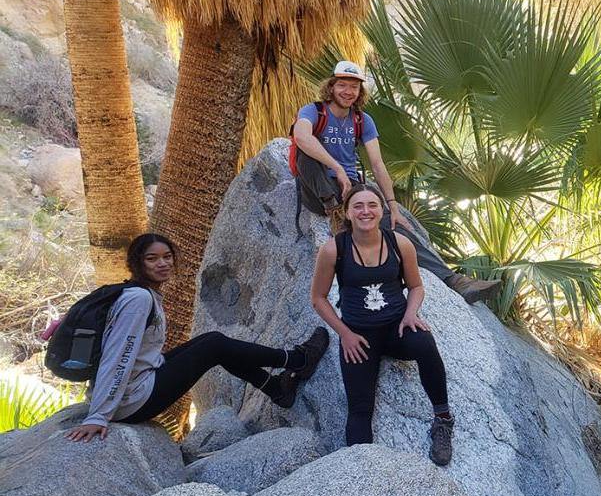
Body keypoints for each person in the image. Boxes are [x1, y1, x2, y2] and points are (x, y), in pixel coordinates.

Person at [65, 234, 328, 442]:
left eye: (167, 257)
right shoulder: (138, 299)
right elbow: (119, 354)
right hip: (132, 401)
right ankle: (297, 360)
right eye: (152, 259)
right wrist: (99, 415)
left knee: (211, 343)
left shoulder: (138, 293)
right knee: (213, 346)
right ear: (137, 263)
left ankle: (276, 388)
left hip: (137, 386)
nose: (163, 263)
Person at [292, 60, 502, 303]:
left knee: (396, 226)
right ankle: (336, 213)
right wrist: (337, 167)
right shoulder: (313, 111)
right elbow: (302, 136)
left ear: (360, 92)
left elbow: (378, 165)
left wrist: (392, 207)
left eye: (354, 87)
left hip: (350, 191)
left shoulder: (362, 120)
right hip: (318, 192)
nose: (348, 92)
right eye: (342, 85)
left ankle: (455, 281)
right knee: (303, 152)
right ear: (331, 86)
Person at [309, 183, 455, 465]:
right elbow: (318, 298)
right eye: (358, 206)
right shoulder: (333, 250)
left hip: (396, 328)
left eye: (372, 205)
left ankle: (443, 418)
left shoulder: (400, 244)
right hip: (359, 338)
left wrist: (412, 313)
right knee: (359, 411)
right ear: (348, 213)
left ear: (382, 210)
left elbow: (415, 286)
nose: (366, 211)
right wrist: (345, 335)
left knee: (425, 343)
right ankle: (365, 471)